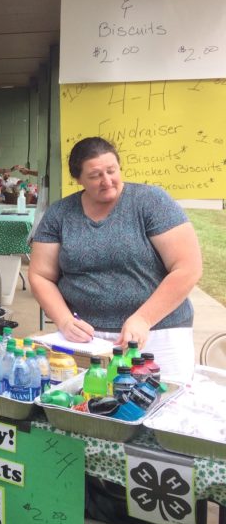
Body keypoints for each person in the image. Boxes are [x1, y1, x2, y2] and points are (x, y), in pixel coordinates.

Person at [29, 137, 202, 379]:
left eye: (112, 170)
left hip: (157, 334)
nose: (107, 181)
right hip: (87, 339)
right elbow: (40, 275)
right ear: (78, 179)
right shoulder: (60, 213)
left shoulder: (151, 202)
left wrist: (143, 319)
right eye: (95, 175)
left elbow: (188, 267)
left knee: (161, 405)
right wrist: (65, 320)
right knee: (88, 406)